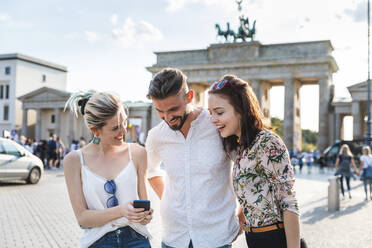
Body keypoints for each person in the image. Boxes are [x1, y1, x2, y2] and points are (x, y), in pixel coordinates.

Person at [145, 68, 240, 248]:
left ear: (189, 96)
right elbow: (151, 171)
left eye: (174, 109)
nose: (168, 118)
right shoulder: (156, 136)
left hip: (216, 237)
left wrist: (242, 217)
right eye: (160, 111)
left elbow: (247, 170)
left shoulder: (217, 126)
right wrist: (171, 202)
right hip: (174, 237)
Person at [208, 75, 301, 248]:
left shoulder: (267, 142)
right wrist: (240, 220)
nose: (213, 119)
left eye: (219, 112)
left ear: (241, 109)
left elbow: (289, 202)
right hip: (255, 240)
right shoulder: (241, 148)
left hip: (276, 238)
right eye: (210, 113)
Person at [63, 91, 152, 248]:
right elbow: (82, 218)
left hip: (137, 239)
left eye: (125, 122)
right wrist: (121, 211)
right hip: (97, 242)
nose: (124, 131)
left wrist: (146, 215)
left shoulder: (138, 153)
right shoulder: (74, 161)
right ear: (95, 130)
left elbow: (144, 215)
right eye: (116, 128)